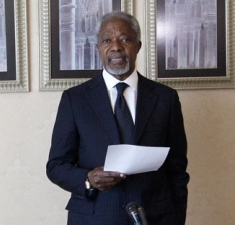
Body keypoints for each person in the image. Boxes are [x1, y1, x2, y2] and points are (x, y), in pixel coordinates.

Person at [46, 11, 189, 225]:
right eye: (107, 40)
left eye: (125, 39)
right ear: (98, 49)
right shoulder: (74, 99)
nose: (116, 47)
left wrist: (177, 219)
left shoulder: (165, 98)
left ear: (138, 46)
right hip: (95, 217)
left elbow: (177, 168)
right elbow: (56, 165)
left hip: (155, 217)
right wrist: (88, 179)